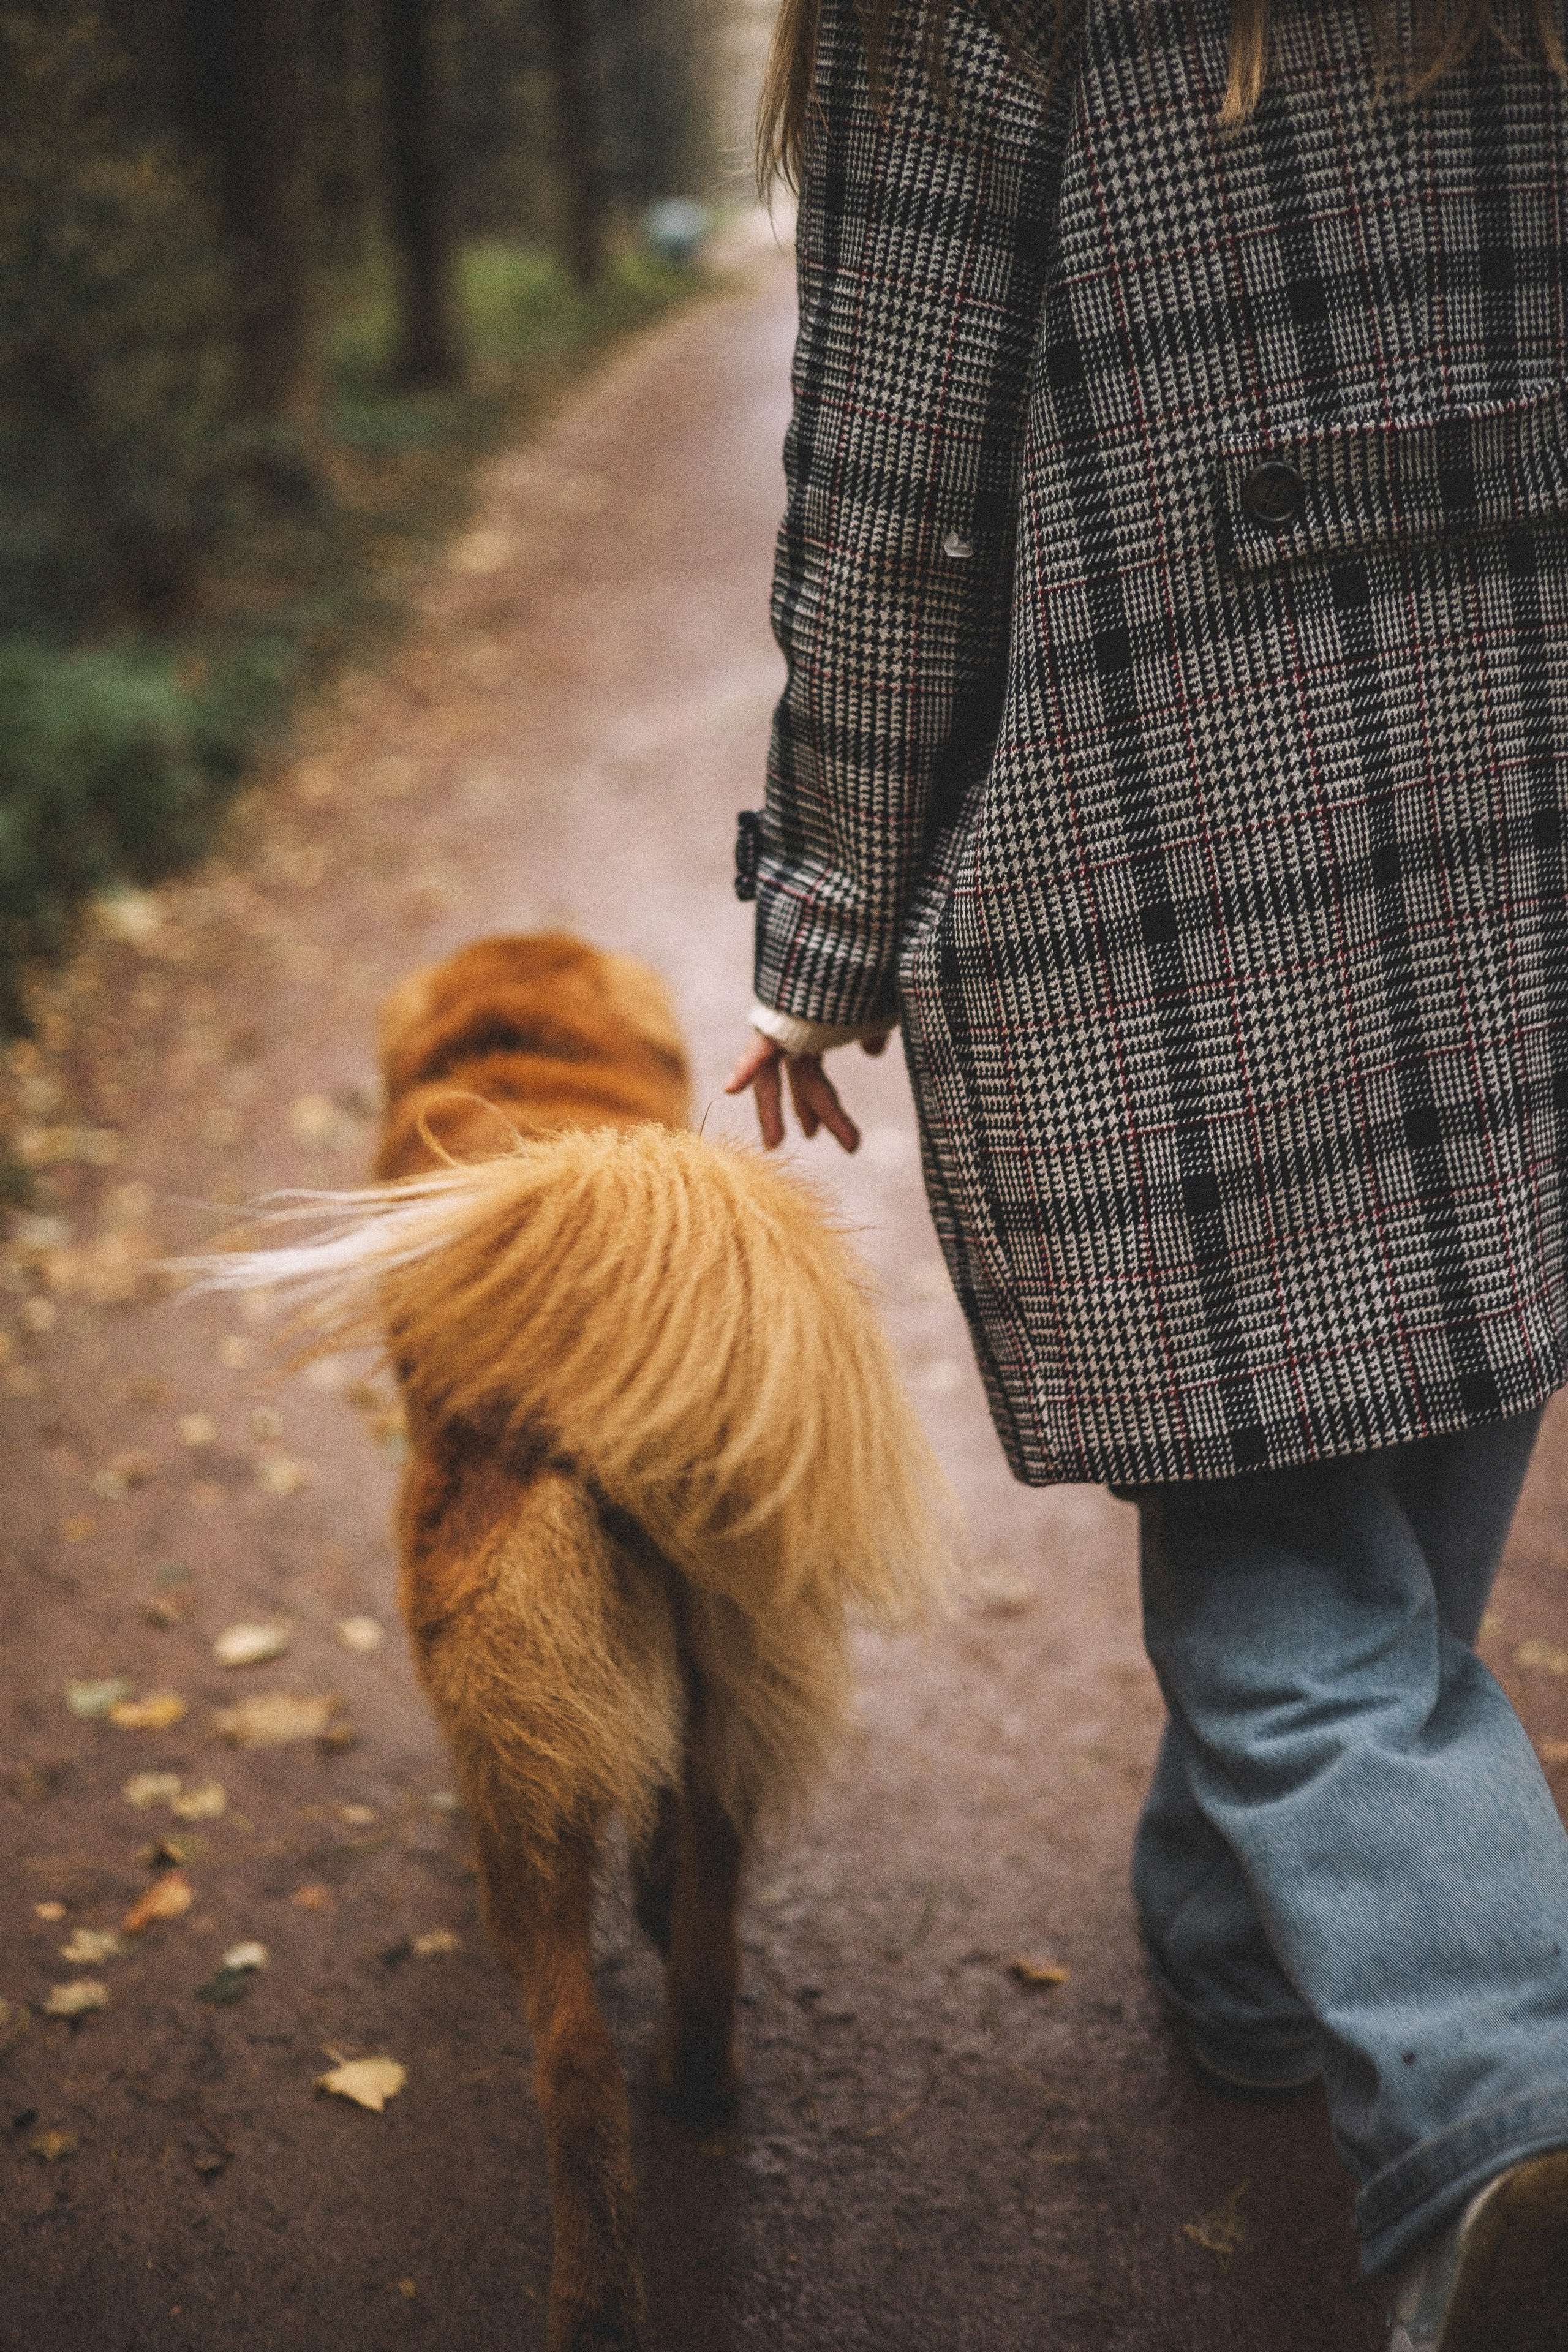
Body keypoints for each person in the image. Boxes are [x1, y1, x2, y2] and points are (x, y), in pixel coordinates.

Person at [725, 0, 1568, 2343]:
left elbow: (895, 487)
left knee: (1281, 1556)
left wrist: (826, 924)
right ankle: (1242, 1968)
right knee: (1429, 1421)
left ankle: (1503, 2094)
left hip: (1185, 825)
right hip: (1526, 786)